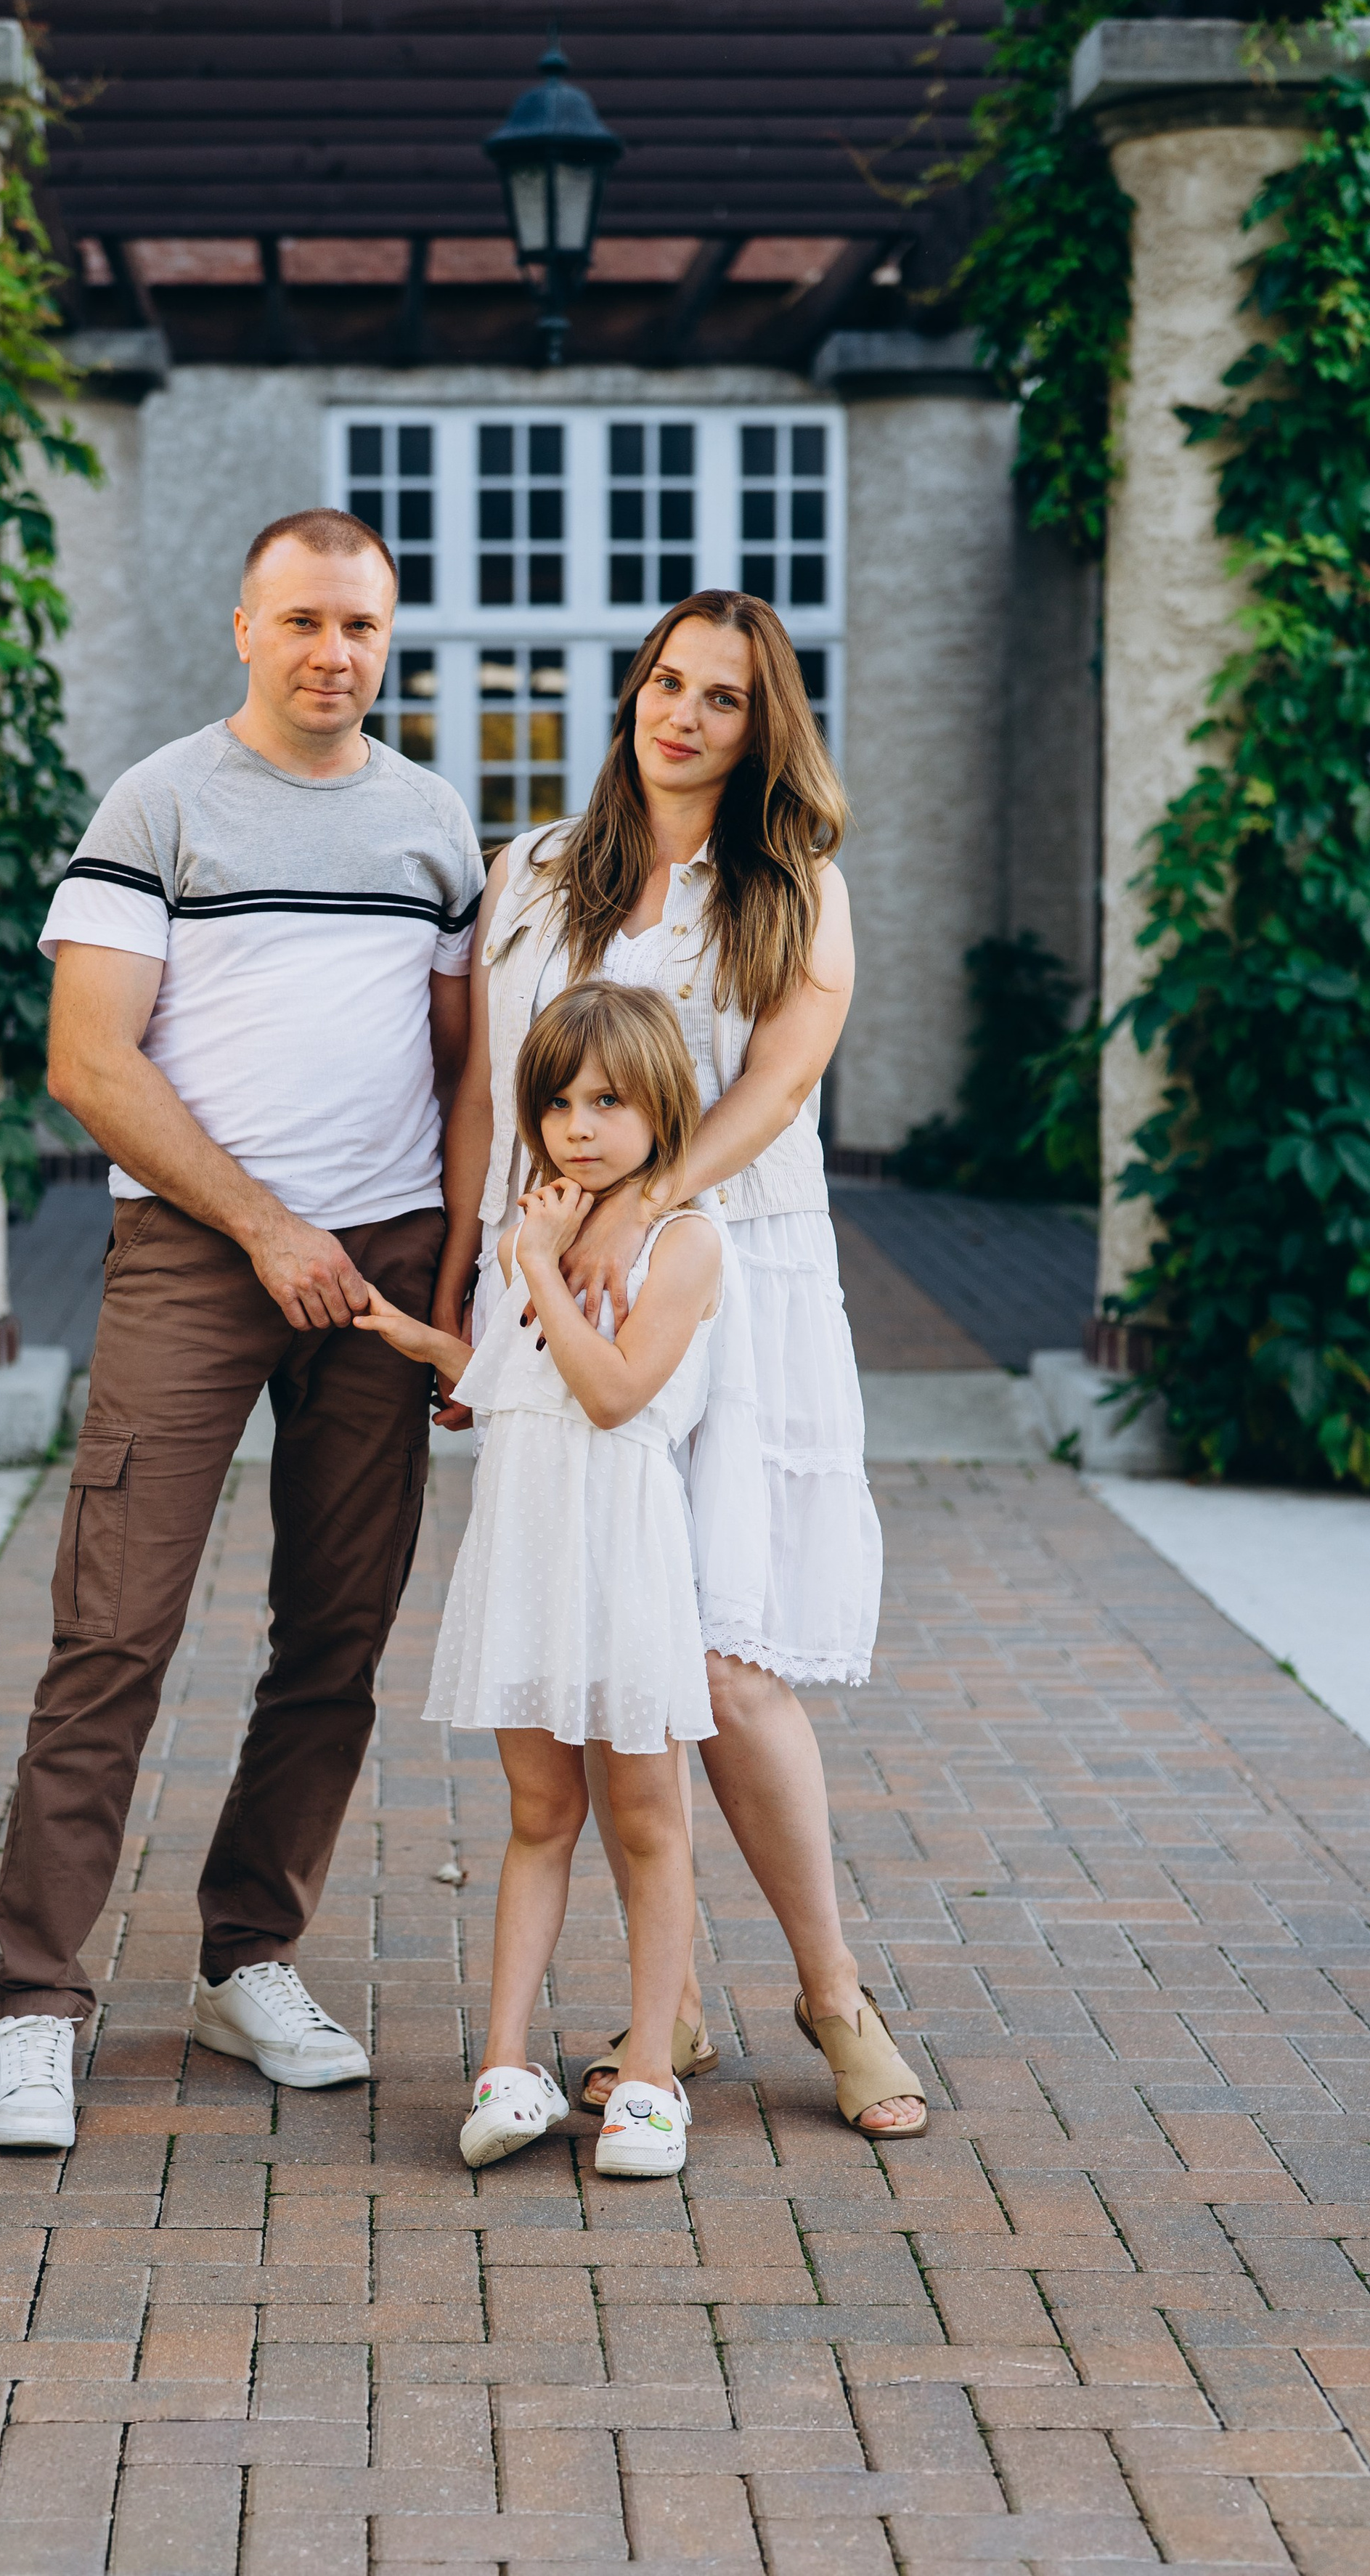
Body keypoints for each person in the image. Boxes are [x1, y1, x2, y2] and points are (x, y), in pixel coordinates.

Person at [0, 508, 484, 2152]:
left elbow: (466, 1069)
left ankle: (245, 1959)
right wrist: (266, 1228)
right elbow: (90, 1065)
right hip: (199, 1261)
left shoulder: (428, 823)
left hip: (387, 1270)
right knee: (112, 1631)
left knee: (334, 1639)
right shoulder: (161, 801)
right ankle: (37, 2003)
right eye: (305, 623)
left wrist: (456, 1286)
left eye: (362, 628)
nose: (334, 654)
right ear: (244, 629)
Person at [433, 590, 927, 2143]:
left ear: (760, 724)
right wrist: (472, 1268)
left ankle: (831, 1994)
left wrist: (636, 1210)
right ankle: (675, 2012)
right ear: (630, 696)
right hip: (548, 1289)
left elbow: (775, 1087)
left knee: (721, 1660)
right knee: (612, 1652)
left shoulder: (793, 888)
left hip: (737, 1269)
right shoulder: (528, 875)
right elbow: (480, 1096)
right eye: (663, 682)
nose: (682, 714)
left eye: (720, 695)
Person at [356, 980, 727, 2178]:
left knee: (648, 1818)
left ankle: (655, 2078)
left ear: (662, 1106)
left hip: (618, 1558)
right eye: (558, 1100)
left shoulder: (682, 1242)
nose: (578, 1125)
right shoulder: (544, 1225)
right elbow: (524, 1383)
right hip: (525, 1549)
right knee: (536, 1817)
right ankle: (506, 2062)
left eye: (609, 1101)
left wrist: (540, 1264)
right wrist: (434, 1343)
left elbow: (614, 1393)